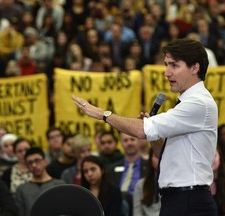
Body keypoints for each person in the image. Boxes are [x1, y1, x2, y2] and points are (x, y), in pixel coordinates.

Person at [72, 38, 218, 216]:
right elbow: (165, 156)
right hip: (178, 199)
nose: (167, 72)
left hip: (189, 200)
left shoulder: (198, 103)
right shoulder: (187, 103)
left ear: (195, 68)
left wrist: (103, 114)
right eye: (166, 65)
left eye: (174, 65)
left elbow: (141, 130)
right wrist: (154, 136)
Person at [15, 147, 65, 216]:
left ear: (45, 162)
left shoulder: (60, 185)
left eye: (37, 161)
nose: (34, 165)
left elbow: (65, 211)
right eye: (30, 163)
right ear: (27, 166)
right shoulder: (22, 189)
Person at [107, 133, 148, 216]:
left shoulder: (149, 167)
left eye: (132, 139)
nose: (129, 143)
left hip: (142, 205)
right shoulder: (111, 169)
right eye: (125, 140)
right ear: (121, 143)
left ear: (139, 141)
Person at [133, 149, 161, 216]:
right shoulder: (140, 185)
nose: (159, 159)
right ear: (150, 159)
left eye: (162, 156)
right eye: (156, 156)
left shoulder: (176, 184)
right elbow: (137, 213)